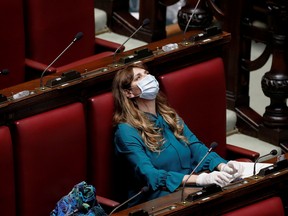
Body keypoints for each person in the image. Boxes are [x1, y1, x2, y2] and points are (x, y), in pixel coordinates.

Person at [112, 63, 244, 207]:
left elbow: (196, 148)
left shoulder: (168, 115)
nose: (147, 78)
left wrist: (222, 165)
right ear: (128, 93)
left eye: (146, 73)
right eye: (139, 77)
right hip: (155, 200)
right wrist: (200, 180)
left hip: (189, 190)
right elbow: (150, 175)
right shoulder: (126, 131)